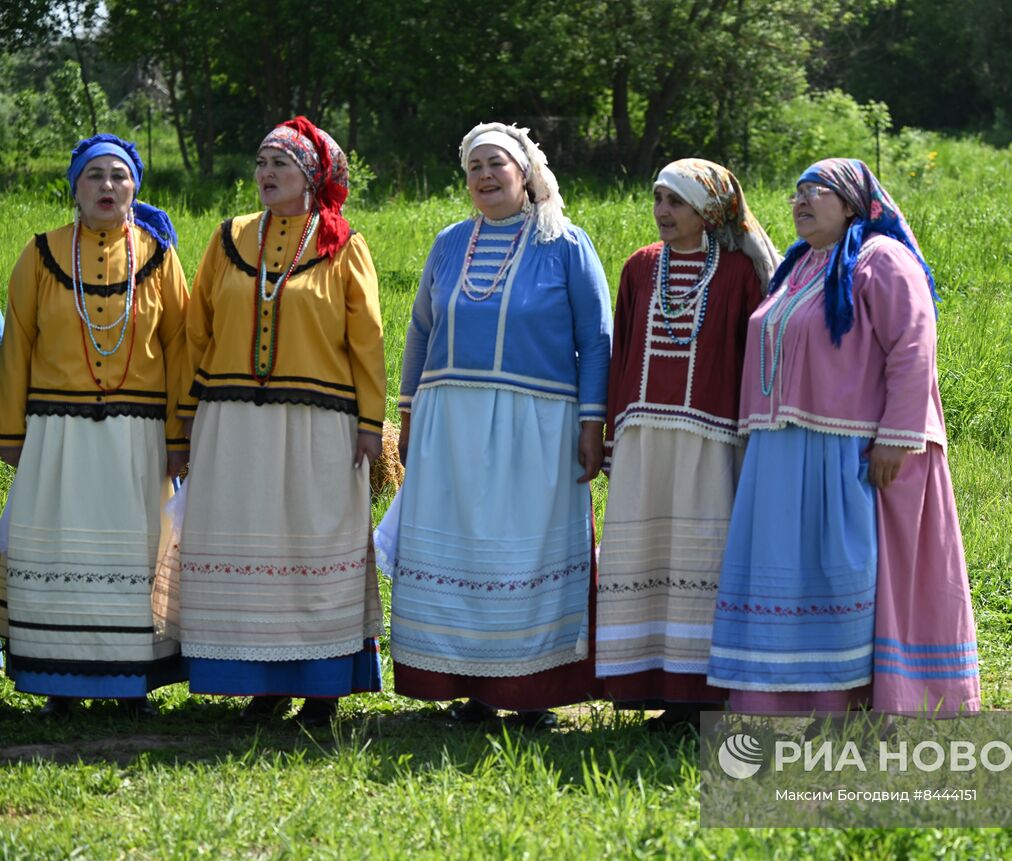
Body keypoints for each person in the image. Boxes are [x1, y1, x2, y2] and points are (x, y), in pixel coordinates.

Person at [706, 158, 980, 718]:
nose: (801, 203)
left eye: (816, 193)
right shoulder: (802, 263)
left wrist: (898, 437)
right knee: (794, 580)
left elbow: (913, 347)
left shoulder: (881, 259)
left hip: (852, 451)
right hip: (787, 450)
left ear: (853, 202)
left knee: (851, 576)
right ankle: (790, 698)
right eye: (796, 195)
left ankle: (870, 697)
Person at [384, 123, 611, 730]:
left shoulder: (566, 244)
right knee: (466, 557)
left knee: (525, 557)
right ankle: (471, 689)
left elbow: (596, 338)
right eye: (474, 166)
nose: (485, 176)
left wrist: (593, 422)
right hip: (450, 424)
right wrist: (408, 412)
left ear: (526, 173)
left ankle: (533, 690)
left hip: (536, 424)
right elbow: (420, 332)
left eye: (497, 164)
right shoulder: (449, 243)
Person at [169, 117, 386, 726]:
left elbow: (366, 342)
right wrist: (185, 422)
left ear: (310, 178)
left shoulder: (343, 245)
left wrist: (370, 424)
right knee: (243, 544)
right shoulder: (229, 237)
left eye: (280, 165)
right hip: (232, 423)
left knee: (311, 548)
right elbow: (196, 333)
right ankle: (259, 683)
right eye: (261, 162)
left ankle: (321, 686)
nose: (265, 173)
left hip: (320, 424)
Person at [0, 134, 189, 716]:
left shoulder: (158, 256)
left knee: (134, 552)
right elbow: (18, 347)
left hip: (137, 433)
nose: (107, 187)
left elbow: (182, 346)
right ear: (75, 188)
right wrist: (11, 433)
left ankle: (132, 680)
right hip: (58, 432)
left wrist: (179, 438)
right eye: (94, 177)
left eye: (119, 177)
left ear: (135, 187)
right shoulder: (40, 253)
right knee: (60, 551)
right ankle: (60, 679)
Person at [596, 159, 778, 731]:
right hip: (644, 438)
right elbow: (620, 348)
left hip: (711, 437)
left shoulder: (739, 276)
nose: (663, 212)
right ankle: (646, 683)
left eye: (676, 201)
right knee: (644, 560)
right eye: (658, 199)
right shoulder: (639, 268)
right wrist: (610, 429)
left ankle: (700, 696)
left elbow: (753, 363)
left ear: (711, 210)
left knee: (700, 562)